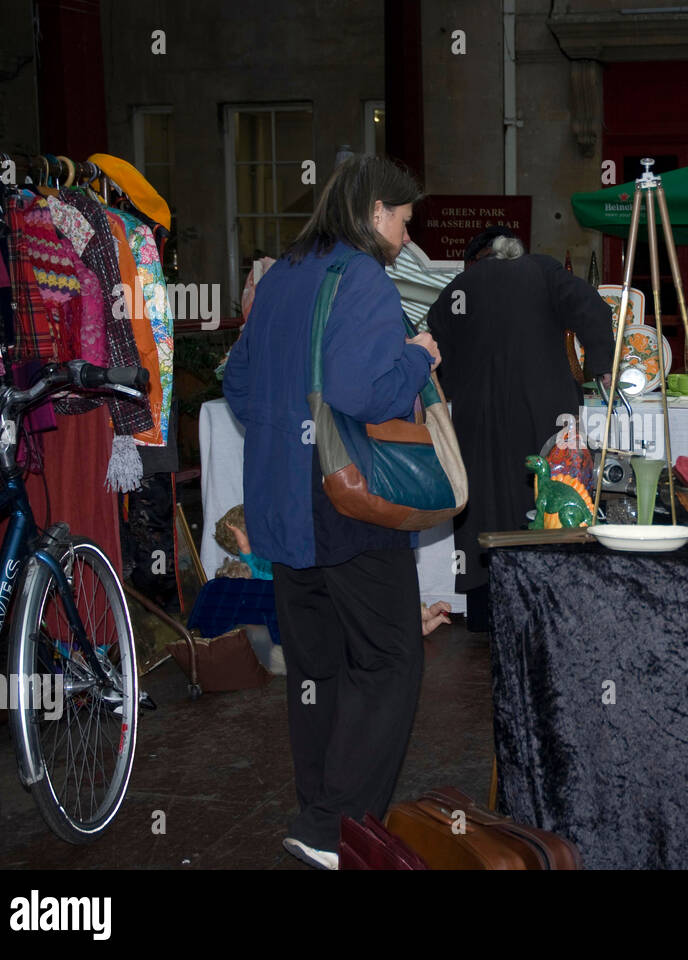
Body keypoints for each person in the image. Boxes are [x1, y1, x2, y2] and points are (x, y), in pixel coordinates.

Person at [222, 155, 441, 871]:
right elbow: (364, 391)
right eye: (404, 222)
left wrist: (289, 433)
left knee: (318, 668)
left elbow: (241, 385)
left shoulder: (282, 273)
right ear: (376, 211)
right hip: (348, 505)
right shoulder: (364, 278)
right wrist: (417, 356)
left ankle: (316, 813)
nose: (407, 239)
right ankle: (334, 826)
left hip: (284, 504)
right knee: (388, 660)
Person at [427, 227, 614, 631]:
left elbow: (433, 345)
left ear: (479, 257)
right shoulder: (543, 271)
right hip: (546, 410)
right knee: (551, 498)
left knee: (483, 506)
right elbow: (594, 308)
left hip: (479, 416)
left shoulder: (461, 286)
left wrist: (455, 383)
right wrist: (601, 366)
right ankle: (549, 607)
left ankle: (484, 612)